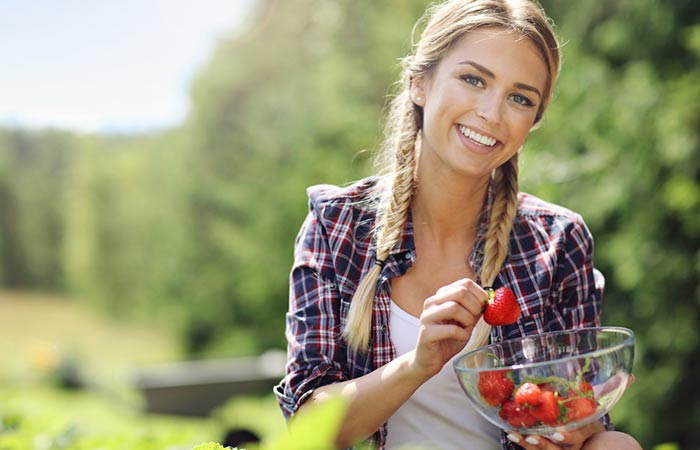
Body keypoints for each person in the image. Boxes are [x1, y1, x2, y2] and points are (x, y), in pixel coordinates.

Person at [274, 1, 643, 449]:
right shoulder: (338, 224)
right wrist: (418, 363)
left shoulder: (557, 240)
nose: (491, 112)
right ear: (420, 84)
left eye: (520, 98)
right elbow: (309, 427)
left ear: (533, 121)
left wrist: (568, 429)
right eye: (473, 79)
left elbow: (584, 418)